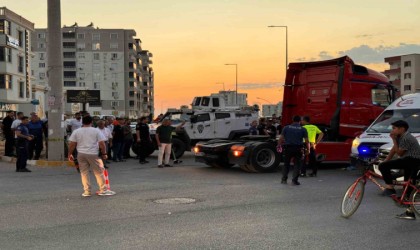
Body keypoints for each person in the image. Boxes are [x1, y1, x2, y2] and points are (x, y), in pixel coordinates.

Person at [378, 120, 420, 220]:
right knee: (409, 187)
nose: (392, 131)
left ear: (402, 129)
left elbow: (400, 153)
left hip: (412, 161)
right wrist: (385, 161)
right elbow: (393, 149)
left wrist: (393, 140)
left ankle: (390, 188)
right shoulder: (400, 137)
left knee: (383, 167)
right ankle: (410, 213)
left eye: (394, 128)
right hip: (410, 162)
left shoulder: (406, 137)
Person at [68, 116, 116, 197]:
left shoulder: (77, 131)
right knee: (99, 172)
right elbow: (102, 144)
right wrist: (104, 154)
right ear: (91, 122)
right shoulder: (96, 131)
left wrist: (69, 154)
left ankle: (87, 191)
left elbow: (72, 144)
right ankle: (103, 190)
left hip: (81, 154)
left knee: (84, 173)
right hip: (92, 154)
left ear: (82, 122)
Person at [278, 115, 309, 185]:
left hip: (288, 148)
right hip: (298, 149)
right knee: (297, 165)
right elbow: (307, 141)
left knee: (286, 164)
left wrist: (279, 146)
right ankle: (294, 180)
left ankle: (284, 179)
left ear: (292, 120)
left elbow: (281, 138)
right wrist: (307, 149)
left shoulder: (286, 128)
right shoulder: (303, 129)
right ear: (299, 121)